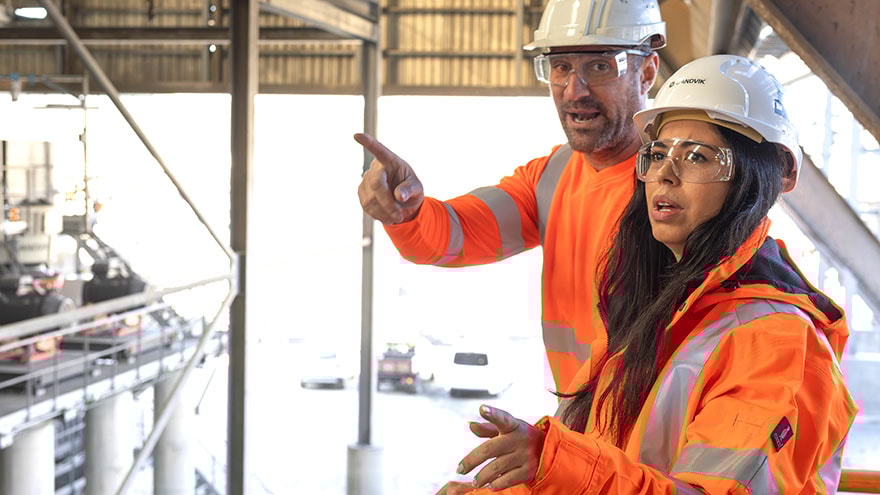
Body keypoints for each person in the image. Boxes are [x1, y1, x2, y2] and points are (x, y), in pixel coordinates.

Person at [438, 54, 858, 494]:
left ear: (772, 174)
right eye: (657, 154)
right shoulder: (655, 307)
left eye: (698, 156)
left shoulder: (775, 342)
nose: (665, 175)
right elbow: (601, 466)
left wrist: (553, 462)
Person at [355, 0, 666, 394]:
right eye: (560, 67)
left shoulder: (679, 185)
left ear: (647, 72)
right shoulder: (551, 177)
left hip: (657, 428)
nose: (574, 90)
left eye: (600, 67)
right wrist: (408, 212)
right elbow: (454, 234)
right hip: (578, 420)